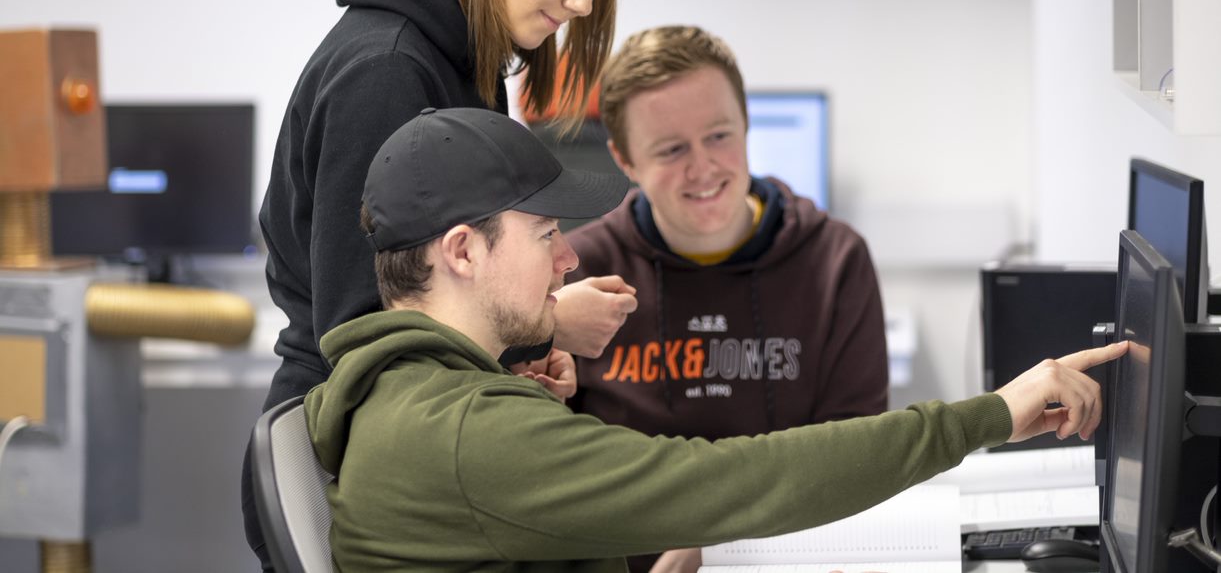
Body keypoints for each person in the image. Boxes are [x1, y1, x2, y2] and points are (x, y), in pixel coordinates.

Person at [306, 105, 1128, 572]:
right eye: (544, 234)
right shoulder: (461, 431)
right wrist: (989, 415)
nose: (565, 259)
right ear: (461, 251)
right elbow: (736, 479)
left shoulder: (413, 394)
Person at [241, 0, 645, 568]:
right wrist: (547, 325)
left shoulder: (461, 58)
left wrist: (518, 348)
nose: (585, 3)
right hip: (359, 465)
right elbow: (367, 323)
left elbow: (439, 297)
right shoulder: (390, 73)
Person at [564, 25, 888, 572]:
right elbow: (548, 469)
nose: (703, 168)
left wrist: (723, 548)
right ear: (625, 160)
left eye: (719, 136)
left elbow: (854, 462)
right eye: (670, 149)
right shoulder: (577, 271)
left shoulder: (835, 261)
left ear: (746, 123)